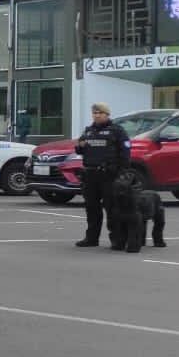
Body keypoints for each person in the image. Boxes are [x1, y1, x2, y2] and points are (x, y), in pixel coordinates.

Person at [75, 102, 132, 249]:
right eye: (94, 113)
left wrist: (122, 174)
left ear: (107, 114)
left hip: (109, 175)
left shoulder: (117, 131)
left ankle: (117, 239)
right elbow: (79, 149)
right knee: (92, 208)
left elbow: (125, 153)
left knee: (112, 209)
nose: (96, 115)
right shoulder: (88, 131)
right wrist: (79, 146)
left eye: (100, 113)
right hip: (90, 174)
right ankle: (91, 238)